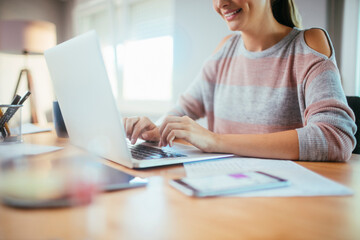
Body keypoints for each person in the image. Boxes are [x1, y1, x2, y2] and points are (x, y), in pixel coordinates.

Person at [123, 0, 357, 162]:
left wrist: (215, 141)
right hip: (223, 194)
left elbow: (335, 137)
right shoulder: (225, 50)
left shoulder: (308, 44)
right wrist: (156, 128)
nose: (221, 3)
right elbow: (182, 111)